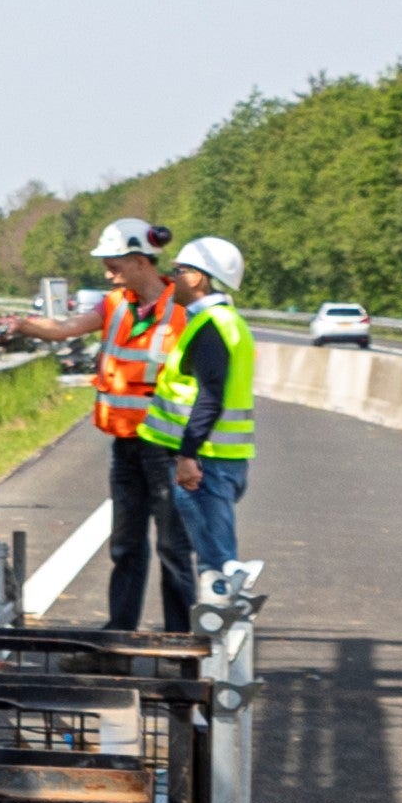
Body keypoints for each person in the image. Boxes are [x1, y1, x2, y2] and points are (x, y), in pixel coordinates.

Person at [84, 219, 192, 630]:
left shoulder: (182, 311)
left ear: (140, 261)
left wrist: (190, 453)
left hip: (166, 445)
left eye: (114, 264)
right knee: (126, 544)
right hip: (126, 444)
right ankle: (120, 632)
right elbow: (66, 329)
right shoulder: (115, 304)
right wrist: (23, 327)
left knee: (173, 546)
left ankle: (180, 638)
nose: (108, 272)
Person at [161, 235, 261, 597]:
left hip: (208, 462)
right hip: (225, 460)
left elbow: (211, 395)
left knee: (217, 567)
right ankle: (220, 642)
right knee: (211, 561)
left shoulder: (212, 324)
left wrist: (188, 455)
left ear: (197, 278)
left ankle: (226, 643)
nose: (171, 278)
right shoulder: (228, 321)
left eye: (178, 271)